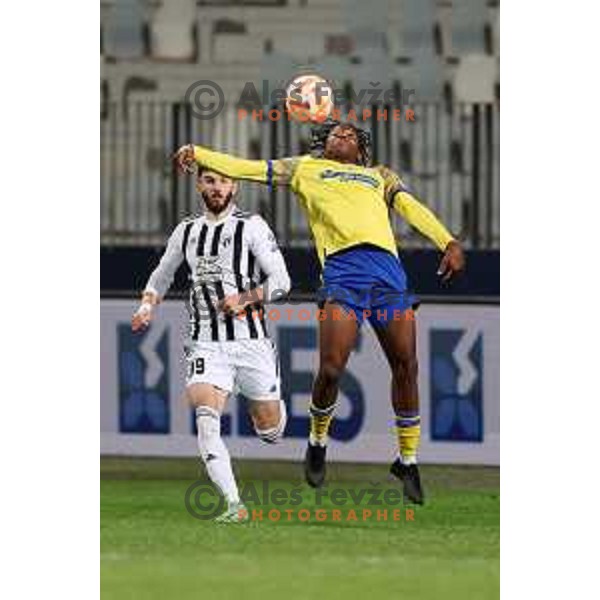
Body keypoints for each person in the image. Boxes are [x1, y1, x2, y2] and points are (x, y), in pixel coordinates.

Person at [173, 119, 465, 504]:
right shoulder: (305, 169)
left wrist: (447, 240)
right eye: (334, 133)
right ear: (323, 144)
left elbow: (411, 207)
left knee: (406, 365)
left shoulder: (379, 175)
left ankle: (407, 460)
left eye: (350, 133)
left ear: (361, 147)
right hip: (343, 274)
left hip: (388, 276)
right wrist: (201, 154)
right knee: (330, 368)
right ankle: (318, 439)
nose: (342, 134)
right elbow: (248, 168)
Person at [131, 169, 291, 522]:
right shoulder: (186, 230)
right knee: (206, 420)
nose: (216, 188)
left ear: (234, 186)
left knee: (271, 432)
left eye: (222, 181)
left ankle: (268, 411)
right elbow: (162, 273)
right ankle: (234, 504)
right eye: (209, 181)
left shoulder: (252, 225)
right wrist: (146, 306)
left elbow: (282, 282)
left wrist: (247, 298)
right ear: (199, 185)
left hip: (251, 342)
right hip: (205, 342)